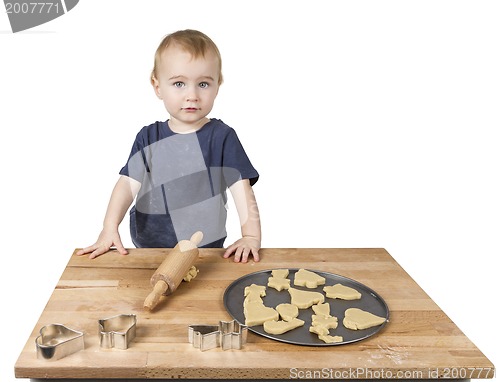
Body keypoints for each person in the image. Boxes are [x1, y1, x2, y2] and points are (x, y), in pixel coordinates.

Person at [77, 29, 261, 263]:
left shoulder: (222, 137)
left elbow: (242, 190)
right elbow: (127, 185)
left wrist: (251, 236)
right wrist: (109, 227)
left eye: (203, 84)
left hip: (203, 249)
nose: (192, 95)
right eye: (179, 83)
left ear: (218, 85)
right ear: (157, 86)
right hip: (148, 247)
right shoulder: (148, 137)